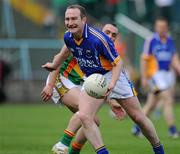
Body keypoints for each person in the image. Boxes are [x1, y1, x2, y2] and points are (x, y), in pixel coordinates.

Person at [42, 4, 165, 154]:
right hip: (94, 79)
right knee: (85, 116)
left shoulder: (99, 40)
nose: (70, 22)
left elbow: (118, 63)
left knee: (138, 117)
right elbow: (61, 56)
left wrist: (112, 85)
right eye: (67, 19)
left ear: (84, 20)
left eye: (74, 18)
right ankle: (91, 150)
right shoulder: (69, 36)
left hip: (115, 77)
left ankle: (159, 149)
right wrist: (53, 66)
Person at [41, 23, 124, 154]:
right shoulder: (84, 41)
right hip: (62, 79)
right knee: (85, 113)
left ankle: (73, 151)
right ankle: (62, 144)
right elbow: (58, 59)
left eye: (114, 35)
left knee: (93, 122)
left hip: (79, 85)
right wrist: (50, 85)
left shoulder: (107, 53)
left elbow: (97, 85)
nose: (110, 37)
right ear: (99, 33)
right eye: (107, 32)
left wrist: (111, 102)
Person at [132, 16, 180, 138]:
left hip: (167, 75)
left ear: (167, 27)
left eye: (164, 27)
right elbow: (144, 59)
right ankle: (172, 130)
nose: (162, 29)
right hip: (155, 75)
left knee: (152, 104)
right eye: (159, 26)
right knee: (168, 99)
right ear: (156, 27)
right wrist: (143, 77)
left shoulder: (169, 40)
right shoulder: (151, 40)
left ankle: (137, 127)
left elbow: (174, 58)